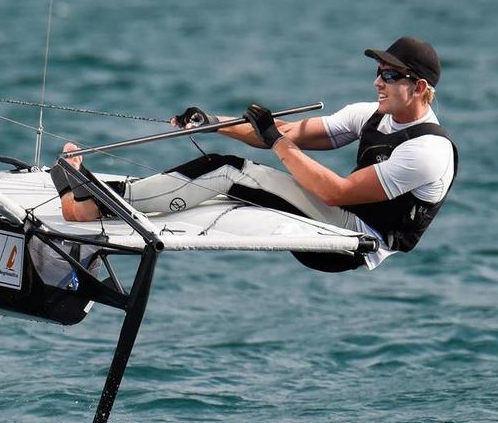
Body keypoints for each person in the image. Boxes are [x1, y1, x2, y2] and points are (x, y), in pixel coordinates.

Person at [50, 37, 458, 272]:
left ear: (419, 87)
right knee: (222, 173)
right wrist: (213, 120)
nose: (377, 82)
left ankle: (88, 210)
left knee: (227, 172)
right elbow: (285, 133)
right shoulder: (369, 114)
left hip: (355, 242)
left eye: (389, 75)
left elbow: (337, 191)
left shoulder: (428, 151)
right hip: (336, 220)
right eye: (377, 72)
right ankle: (109, 195)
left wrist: (278, 143)